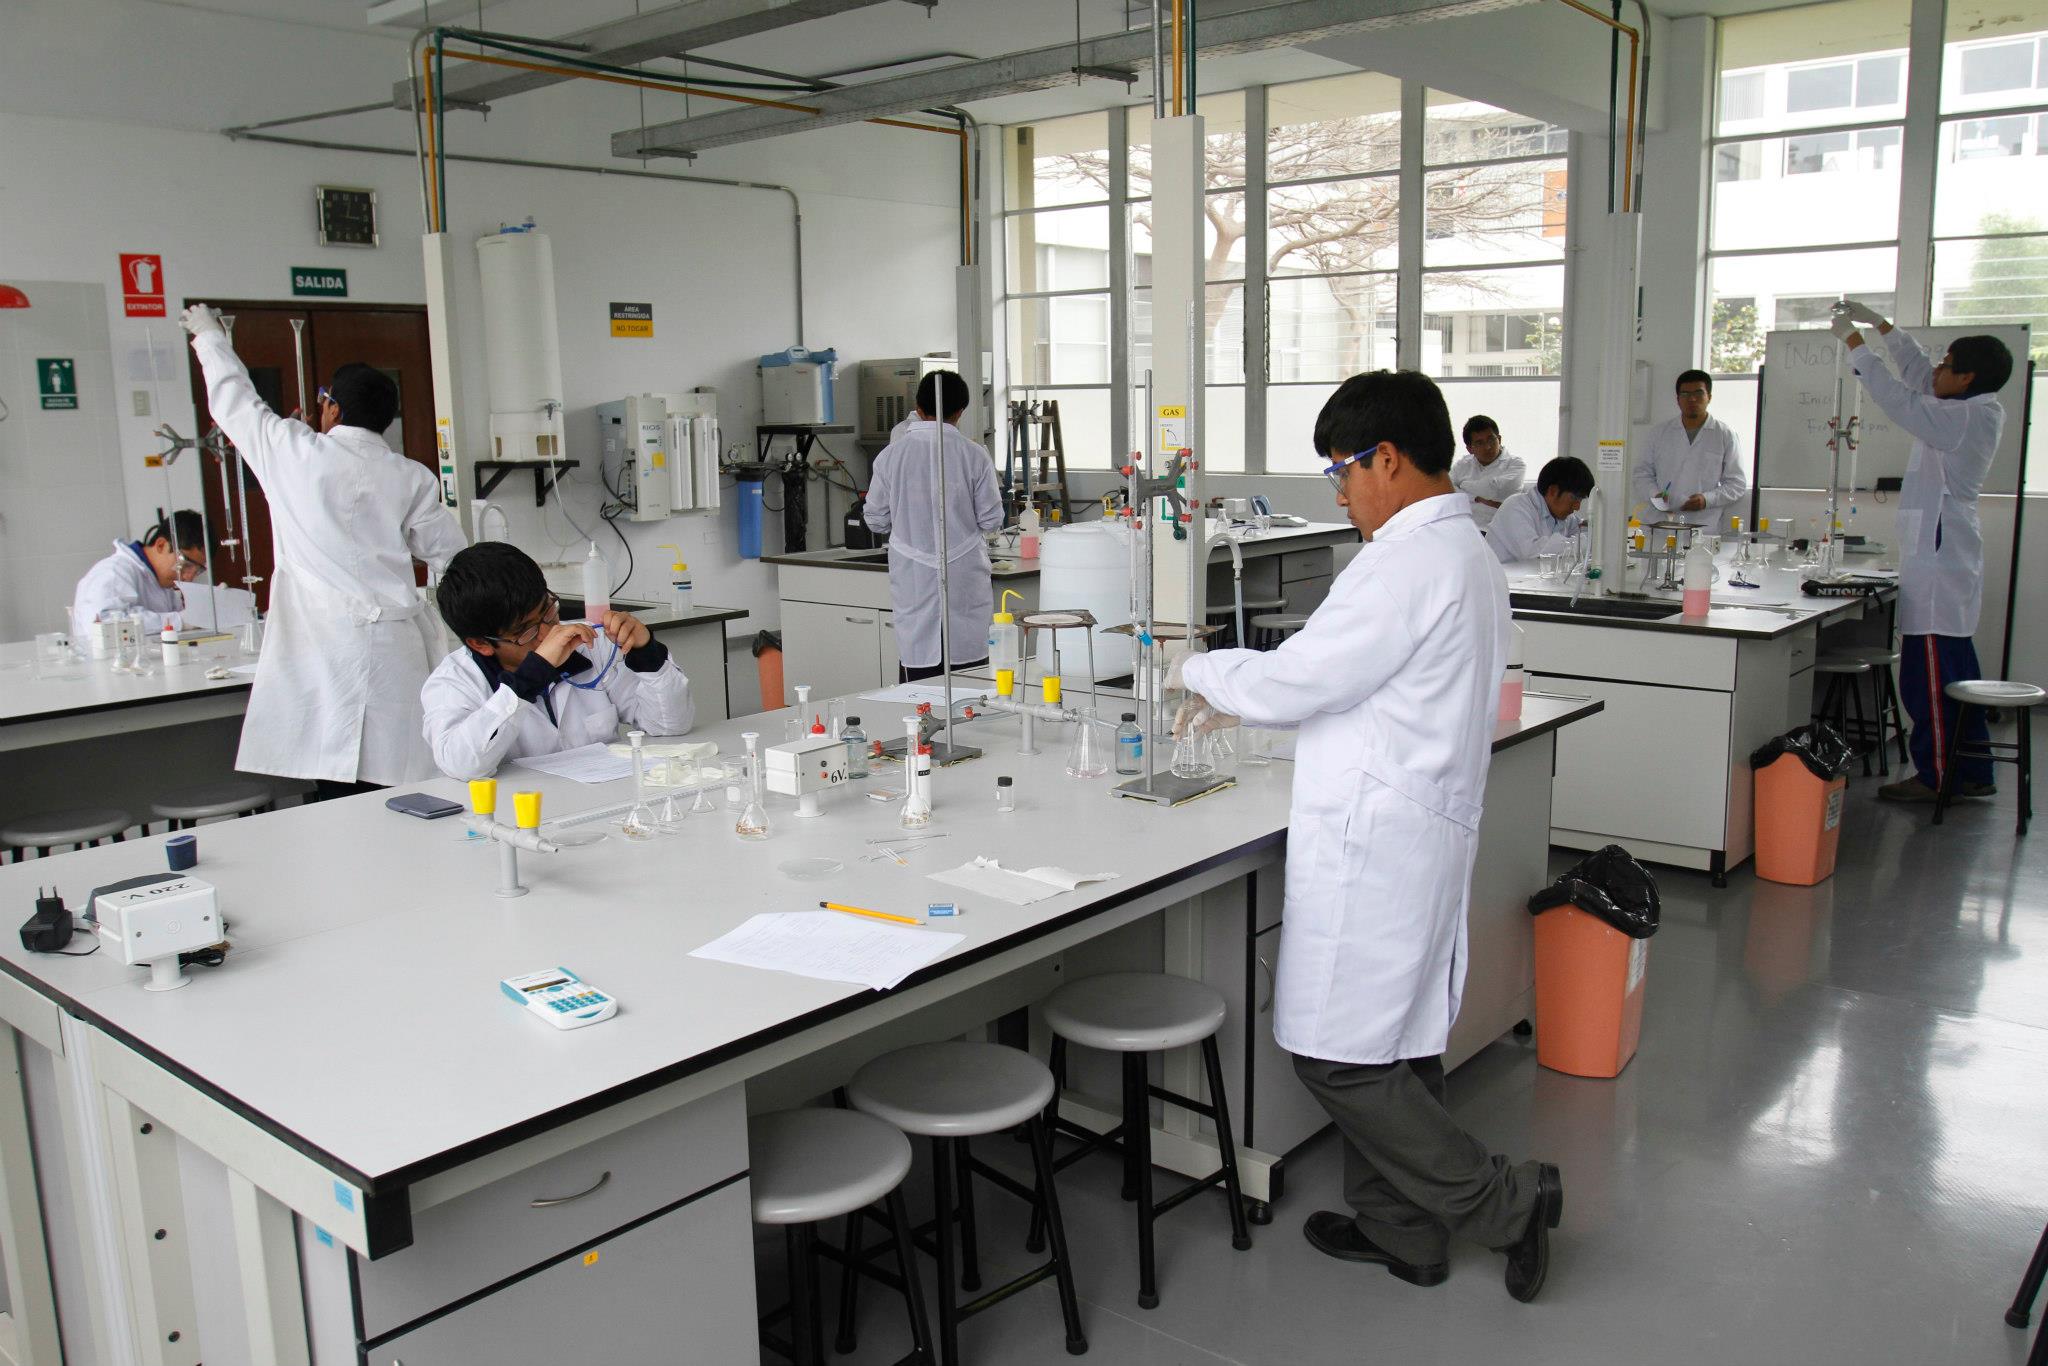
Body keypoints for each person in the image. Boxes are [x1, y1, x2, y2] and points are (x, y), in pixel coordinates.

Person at [1169, 369, 1562, 1303]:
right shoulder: (1462, 550)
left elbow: (1306, 676)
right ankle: (1402, 1230)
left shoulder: (1402, 564)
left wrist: (1194, 666)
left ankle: (1505, 1203)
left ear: (1387, 459)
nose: (1339, 493)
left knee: (1339, 1055)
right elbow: (1356, 680)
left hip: (1380, 840)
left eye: (1341, 470)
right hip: (1420, 824)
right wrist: (1245, 701)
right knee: (1403, 1038)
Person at [182, 304, 467, 799]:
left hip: (326, 651)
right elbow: (455, 557)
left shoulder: (292, 450)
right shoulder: (410, 476)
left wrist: (209, 336)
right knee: (397, 790)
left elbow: (235, 402)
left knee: (337, 789)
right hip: (394, 650)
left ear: (332, 408)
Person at [1832, 301, 2012, 803]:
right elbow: (1916, 376)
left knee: (1927, 681)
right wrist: (1882, 325)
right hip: (1944, 557)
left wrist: (1856, 344)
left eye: (1946, 364)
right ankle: (1973, 770)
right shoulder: (1967, 406)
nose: (1936, 370)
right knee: (1955, 675)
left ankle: (1937, 776)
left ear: (1967, 377)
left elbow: (1899, 399)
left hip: (1937, 565)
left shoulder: (1959, 417)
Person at [421, 542, 693, 780]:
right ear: (480, 644)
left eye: (548, 612)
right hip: (520, 812)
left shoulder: (590, 643)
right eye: (526, 631)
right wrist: (530, 676)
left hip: (606, 798)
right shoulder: (454, 682)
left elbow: (669, 725)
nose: (548, 633)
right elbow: (461, 765)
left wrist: (647, 654)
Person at [861, 370, 1003, 682]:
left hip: (913, 575)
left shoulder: (890, 456)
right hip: (964, 574)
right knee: (970, 681)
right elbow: (992, 519)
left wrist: (908, 523)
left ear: (918, 407)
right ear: (961, 411)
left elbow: (875, 519)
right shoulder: (975, 455)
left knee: (920, 680)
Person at [1632, 369, 1746, 530]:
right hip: (1662, 522)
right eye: (1685, 394)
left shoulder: (1724, 434)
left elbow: (1737, 483)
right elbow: (1642, 474)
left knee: (1699, 547)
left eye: (1698, 393)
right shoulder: (1659, 433)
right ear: (1678, 400)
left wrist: (1707, 499)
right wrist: (1655, 495)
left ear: (1709, 397)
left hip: (1704, 524)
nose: (1692, 399)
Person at [71, 510, 207, 639]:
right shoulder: (114, 572)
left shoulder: (163, 583)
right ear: (161, 545)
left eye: (197, 570)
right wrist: (179, 621)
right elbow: (107, 624)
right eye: (186, 564)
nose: (188, 578)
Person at [1488, 456, 1592, 564]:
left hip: (1528, 574)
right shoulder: (1516, 506)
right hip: (1502, 573)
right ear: (1553, 491)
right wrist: (1583, 543)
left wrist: (1589, 536)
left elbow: (1588, 533)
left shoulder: (1565, 517)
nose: (1577, 507)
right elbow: (1532, 553)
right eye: (1575, 498)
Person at [1449, 415, 1524, 531]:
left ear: (1499, 439)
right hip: (1464, 527)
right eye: (1480, 443)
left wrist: (1464, 486)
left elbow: (1493, 489)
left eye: (1491, 440)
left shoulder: (1516, 465)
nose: (1488, 447)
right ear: (1470, 449)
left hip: (1499, 530)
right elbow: (1447, 491)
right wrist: (1477, 498)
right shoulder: (1462, 465)